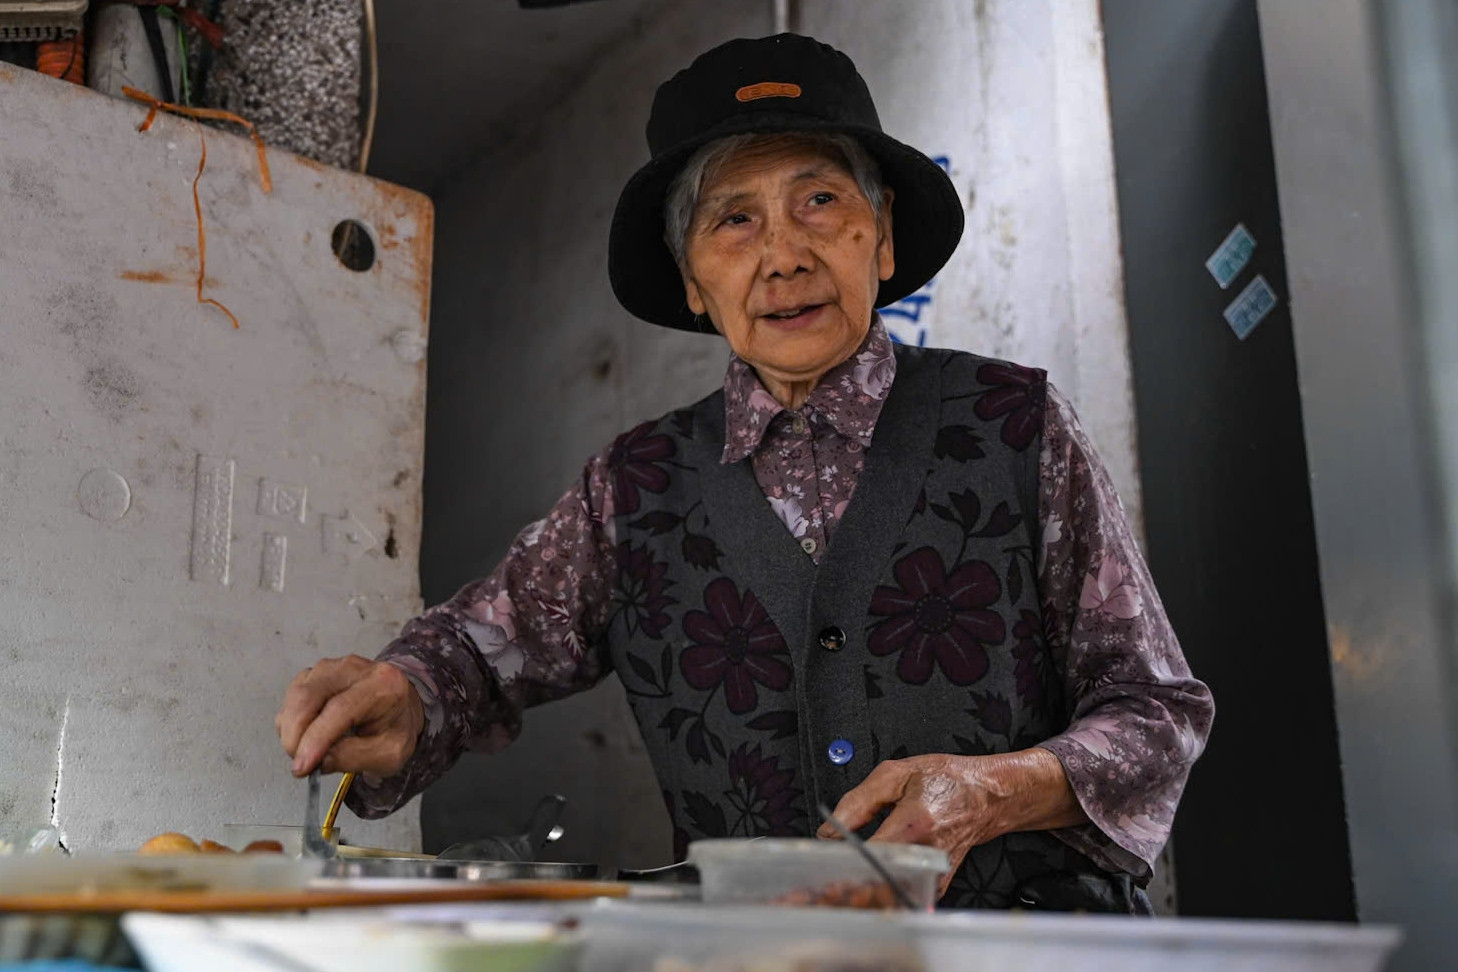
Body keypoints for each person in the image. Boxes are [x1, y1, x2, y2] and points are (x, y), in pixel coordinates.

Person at [275, 33, 1213, 912]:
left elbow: (1156, 714)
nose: (784, 257)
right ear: (692, 280)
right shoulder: (634, 489)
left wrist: (993, 791)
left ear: (882, 238)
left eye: (821, 201)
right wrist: (405, 691)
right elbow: (483, 650)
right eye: (734, 219)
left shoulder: (1015, 425)